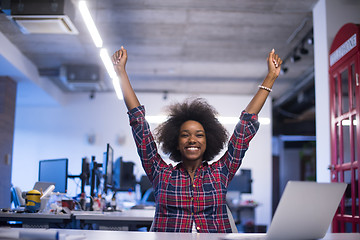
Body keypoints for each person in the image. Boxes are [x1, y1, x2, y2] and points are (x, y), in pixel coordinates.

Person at [111, 47, 282, 233]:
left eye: (199, 135)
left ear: (208, 141)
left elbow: (244, 127)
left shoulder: (220, 173)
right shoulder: (160, 173)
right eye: (185, 135)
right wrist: (121, 72)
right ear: (176, 142)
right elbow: (139, 125)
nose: (192, 139)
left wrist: (270, 78)